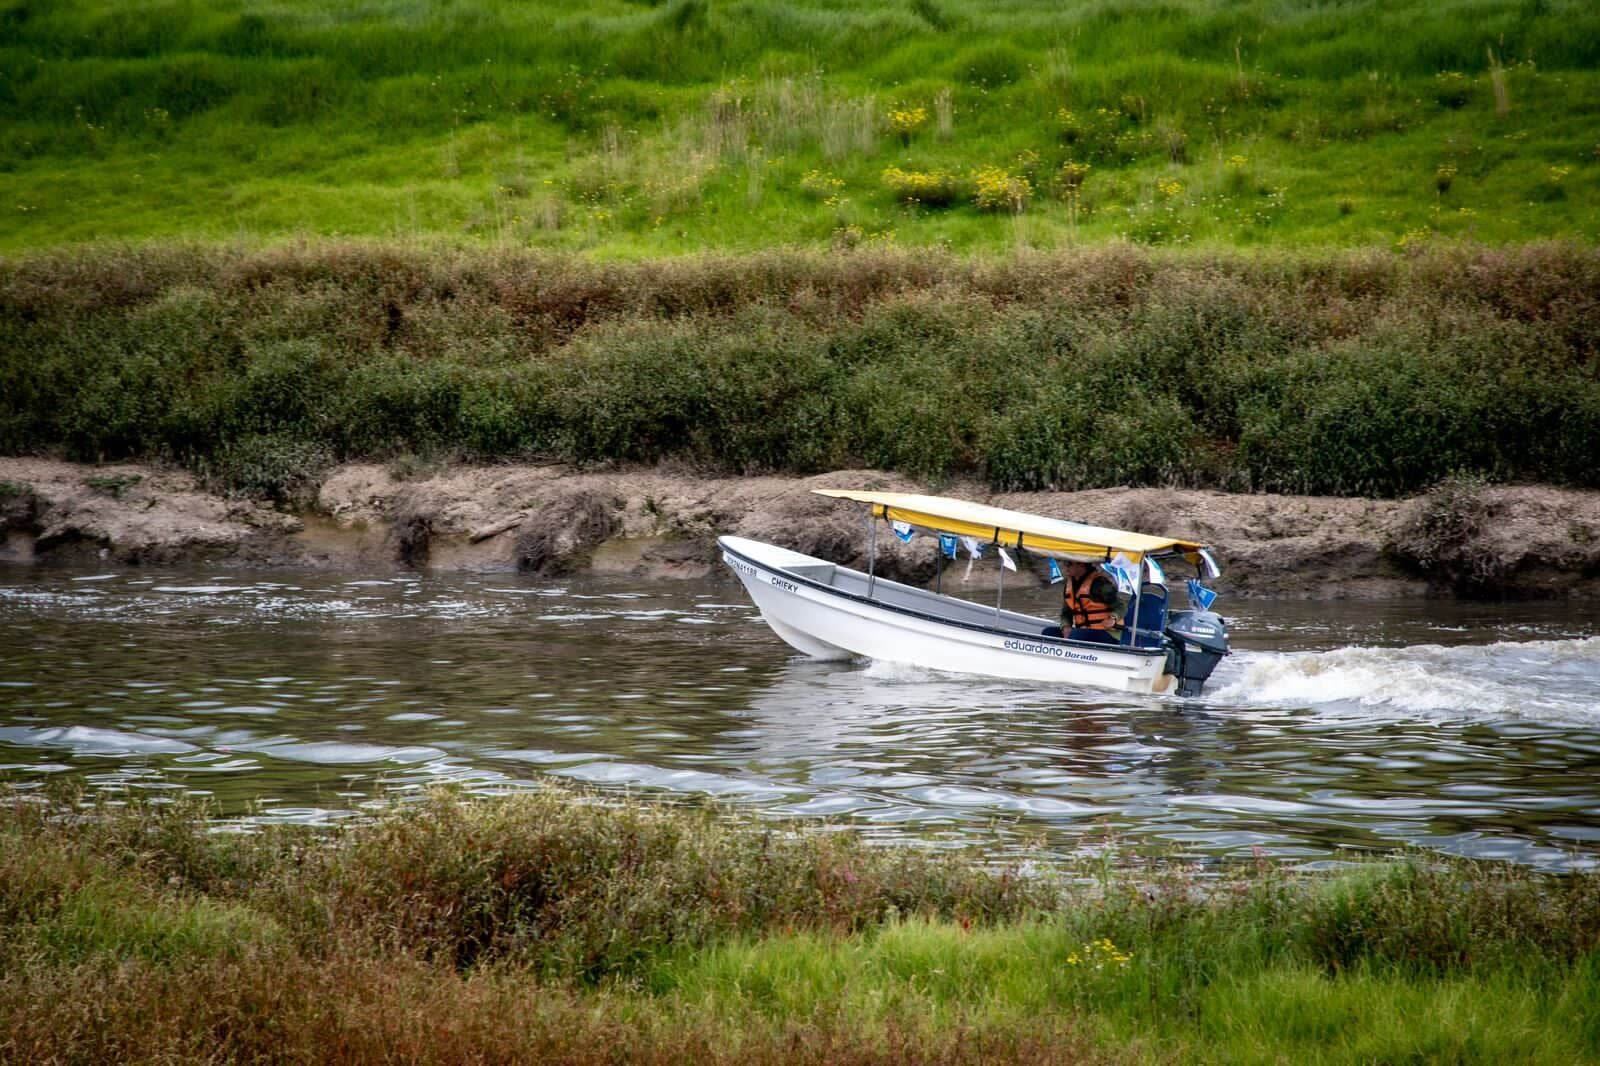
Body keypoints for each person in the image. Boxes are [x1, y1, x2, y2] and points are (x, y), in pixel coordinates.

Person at [1054, 559, 1123, 643]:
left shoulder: (1100, 584)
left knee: (1076, 635)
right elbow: (1066, 613)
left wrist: (1113, 618)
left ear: (1081, 564)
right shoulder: (1069, 586)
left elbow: (1121, 606)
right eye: (1065, 563)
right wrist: (1066, 626)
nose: (1065, 567)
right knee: (1049, 632)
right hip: (1082, 632)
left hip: (1107, 633)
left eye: (1069, 564)